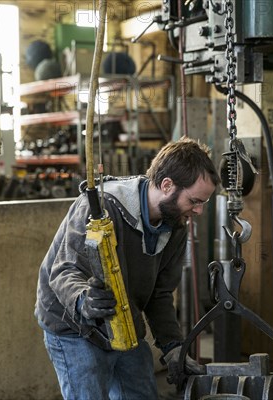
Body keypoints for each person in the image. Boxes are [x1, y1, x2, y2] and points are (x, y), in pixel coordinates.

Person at [35, 136, 221, 399]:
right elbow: (65, 270)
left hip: (122, 320)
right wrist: (84, 301)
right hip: (74, 328)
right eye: (195, 201)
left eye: (203, 203)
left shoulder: (175, 225)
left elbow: (160, 292)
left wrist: (172, 345)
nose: (199, 211)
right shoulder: (101, 206)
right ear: (167, 185)